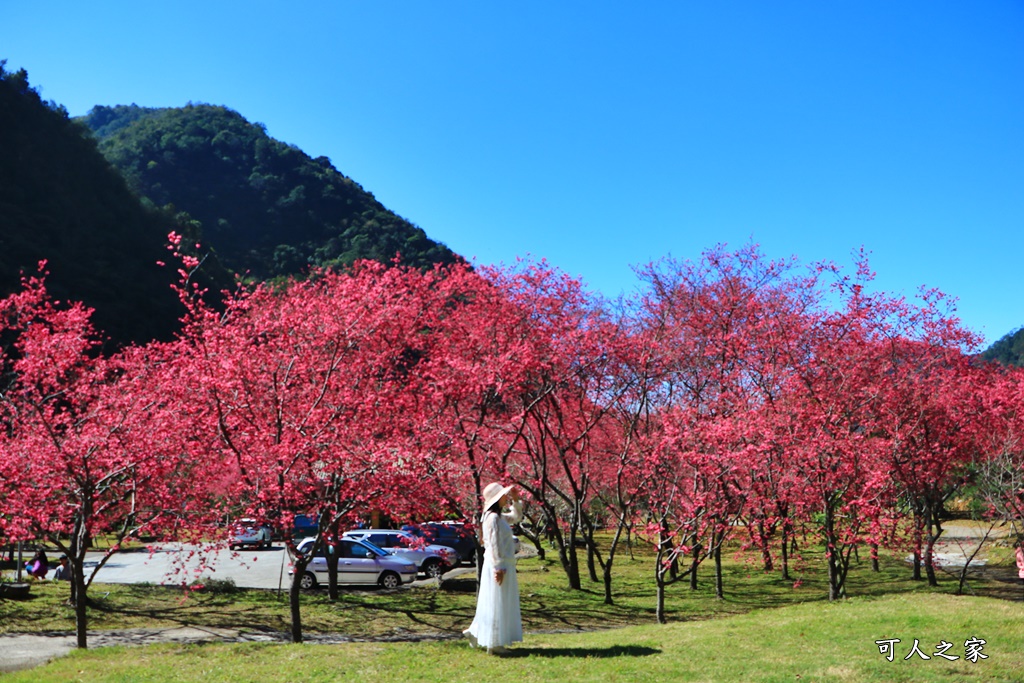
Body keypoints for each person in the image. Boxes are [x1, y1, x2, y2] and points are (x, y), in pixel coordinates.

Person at [463, 482, 523, 655]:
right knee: (498, 601)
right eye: (504, 495)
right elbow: (494, 544)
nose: (506, 497)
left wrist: (516, 500)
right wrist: (499, 567)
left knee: (493, 600)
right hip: (500, 564)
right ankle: (494, 644)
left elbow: (516, 517)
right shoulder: (493, 518)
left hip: (503, 564)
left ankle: (475, 632)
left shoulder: (497, 516)